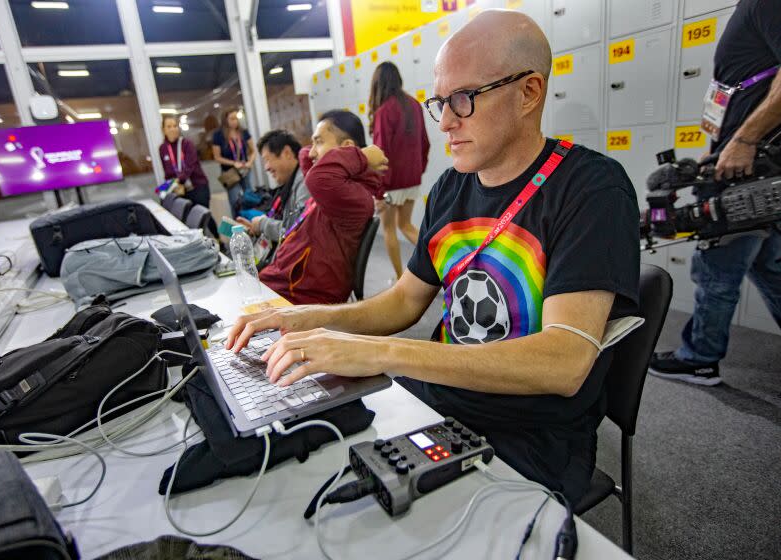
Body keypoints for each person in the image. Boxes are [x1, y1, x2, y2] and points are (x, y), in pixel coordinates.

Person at [226, 10, 640, 505]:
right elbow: (404, 301)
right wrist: (304, 318)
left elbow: (564, 362)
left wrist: (379, 353)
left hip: (529, 435)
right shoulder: (450, 188)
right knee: (296, 466)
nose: (444, 122)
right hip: (438, 400)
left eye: (463, 100)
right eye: (440, 102)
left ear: (529, 92)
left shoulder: (591, 189)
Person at [649, 0, 781, 386]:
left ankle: (700, 358)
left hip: (748, 165)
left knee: (716, 268)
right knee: (768, 264)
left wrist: (743, 140)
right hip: (737, 159)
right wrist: (718, 148)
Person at [257, 110, 386, 304]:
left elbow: (317, 177)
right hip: (284, 282)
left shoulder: (354, 196)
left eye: (318, 142)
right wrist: (336, 150)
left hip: (299, 297)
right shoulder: (338, 187)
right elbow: (304, 157)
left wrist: (361, 156)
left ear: (347, 149)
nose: (311, 151)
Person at [369, 61, 430, 279]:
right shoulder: (414, 104)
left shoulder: (384, 111)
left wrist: (378, 190)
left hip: (390, 183)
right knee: (406, 225)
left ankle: (399, 278)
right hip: (411, 180)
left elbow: (380, 153)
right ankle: (439, 263)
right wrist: (417, 171)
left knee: (390, 229)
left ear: (378, 83)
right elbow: (425, 143)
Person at [236, 130, 311, 251]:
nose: (266, 167)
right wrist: (256, 228)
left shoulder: (304, 183)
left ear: (287, 153)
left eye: (267, 159)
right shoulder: (291, 184)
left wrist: (262, 224)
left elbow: (298, 231)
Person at [212, 108, 256, 217]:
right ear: (225, 120)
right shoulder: (218, 135)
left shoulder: (243, 132)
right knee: (235, 200)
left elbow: (253, 150)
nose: (235, 121)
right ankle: (238, 224)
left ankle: (251, 222)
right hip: (230, 172)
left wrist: (250, 162)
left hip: (244, 169)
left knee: (249, 197)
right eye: (231, 118)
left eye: (236, 118)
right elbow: (217, 157)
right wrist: (233, 163)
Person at [158, 115, 210, 208]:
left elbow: (190, 166)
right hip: (181, 190)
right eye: (169, 127)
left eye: (175, 126)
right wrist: (166, 187)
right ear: (163, 130)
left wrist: (177, 180)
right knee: (188, 219)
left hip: (197, 186)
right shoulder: (163, 149)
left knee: (203, 217)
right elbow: (167, 173)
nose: (173, 129)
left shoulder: (187, 144)